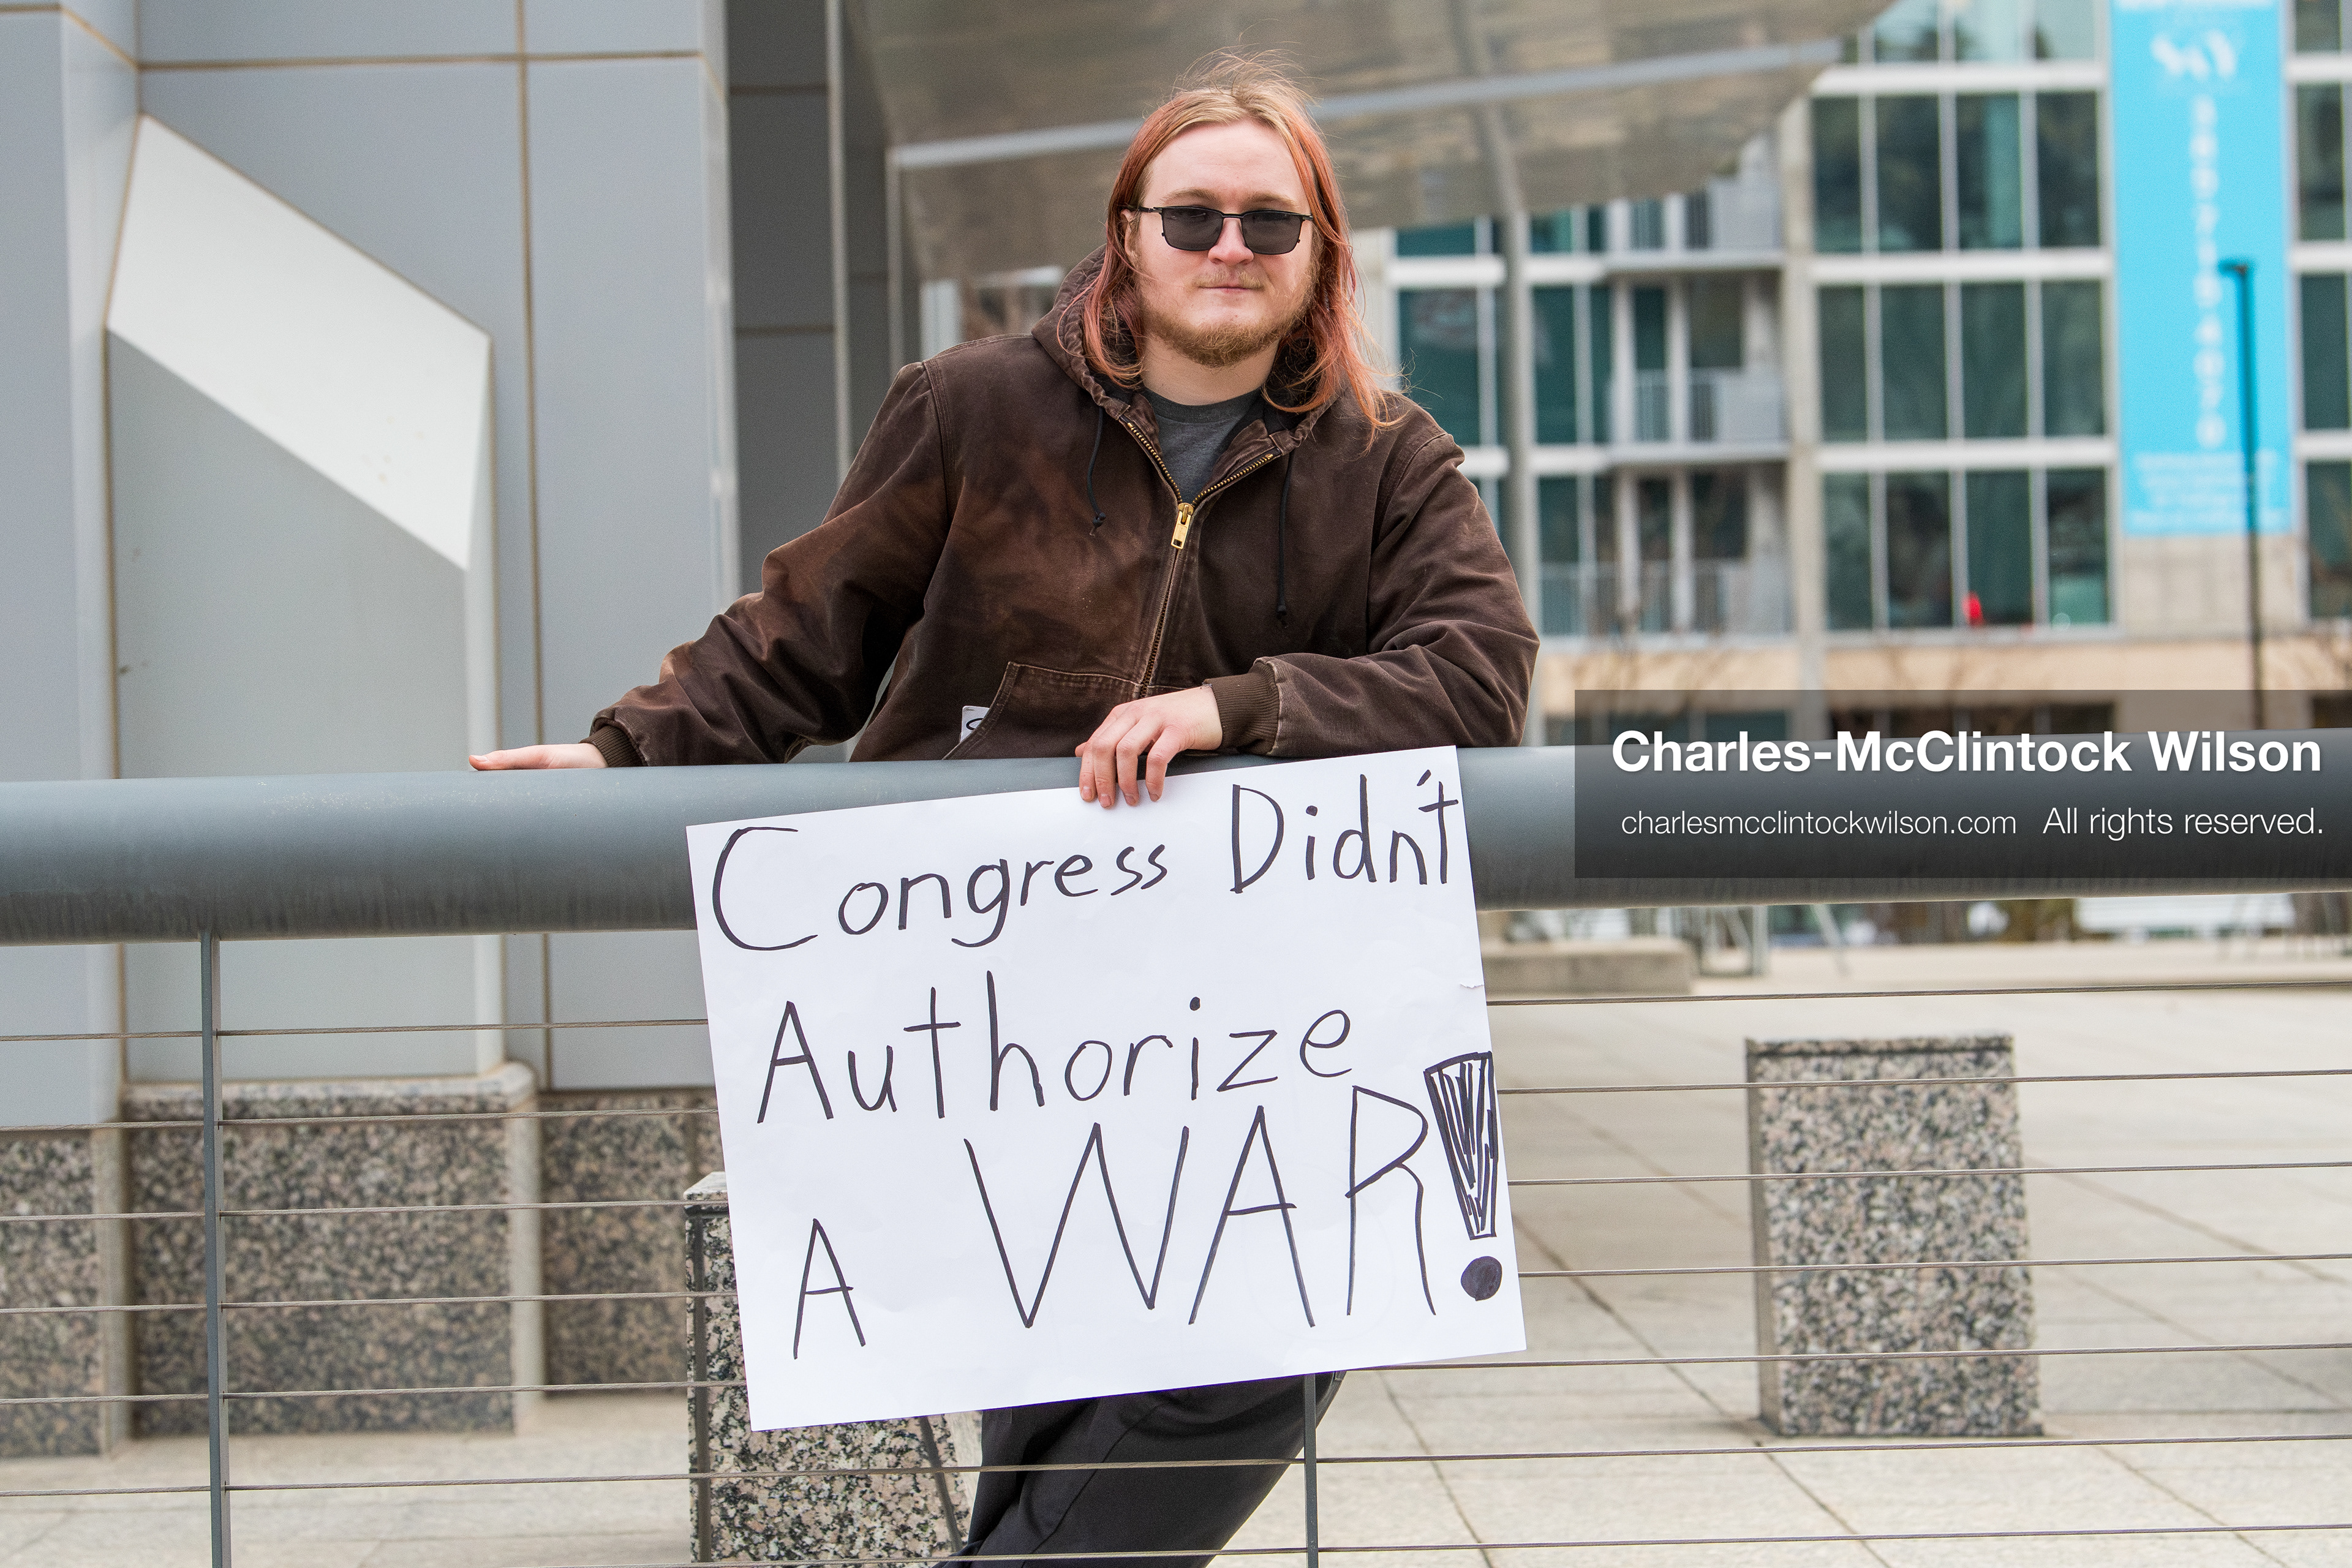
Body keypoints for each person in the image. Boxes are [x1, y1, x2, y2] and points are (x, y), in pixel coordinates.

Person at [473, 51, 1535, 1568]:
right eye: (1192, 218)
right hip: (992, 1024)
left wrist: (1241, 706)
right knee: (1048, 1406)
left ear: (1321, 256)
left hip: (1250, 1027)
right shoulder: (973, 408)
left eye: (1269, 224)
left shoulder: (1391, 456)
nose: (1229, 248)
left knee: (1267, 1338)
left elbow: (1478, 673)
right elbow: (803, 638)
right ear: (1126, 232)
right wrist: (622, 754)